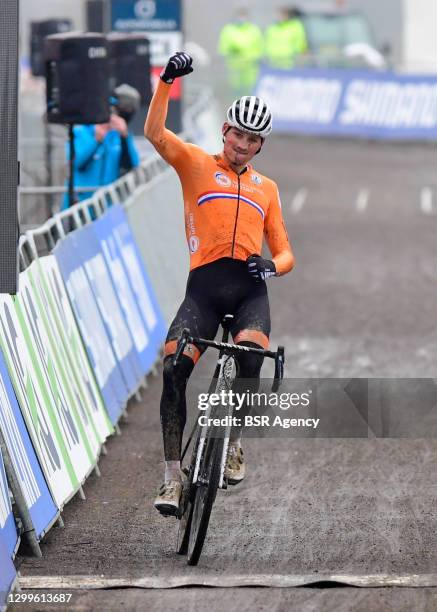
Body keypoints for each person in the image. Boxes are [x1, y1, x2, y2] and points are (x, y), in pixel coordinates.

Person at [144, 52, 295, 516]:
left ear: (260, 146)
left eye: (253, 140)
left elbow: (286, 252)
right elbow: (154, 133)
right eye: (238, 134)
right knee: (173, 373)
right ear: (224, 131)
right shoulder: (193, 163)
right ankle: (173, 479)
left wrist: (271, 267)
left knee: (250, 359)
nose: (243, 145)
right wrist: (167, 80)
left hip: (248, 293)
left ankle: (234, 445)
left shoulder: (265, 189)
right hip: (203, 293)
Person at [61, 84, 140, 210]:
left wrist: (124, 137)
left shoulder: (117, 136)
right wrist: (96, 139)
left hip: (107, 205)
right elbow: (76, 162)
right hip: (80, 206)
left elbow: (132, 165)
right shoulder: (82, 131)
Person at [218, 7, 264, 97]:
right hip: (234, 66)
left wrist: (256, 58)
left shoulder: (254, 29)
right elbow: (223, 47)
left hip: (251, 66)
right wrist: (232, 50)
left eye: (243, 16)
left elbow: (260, 47)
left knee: (250, 89)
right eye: (240, 16)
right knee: (236, 90)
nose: (241, 19)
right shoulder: (228, 29)